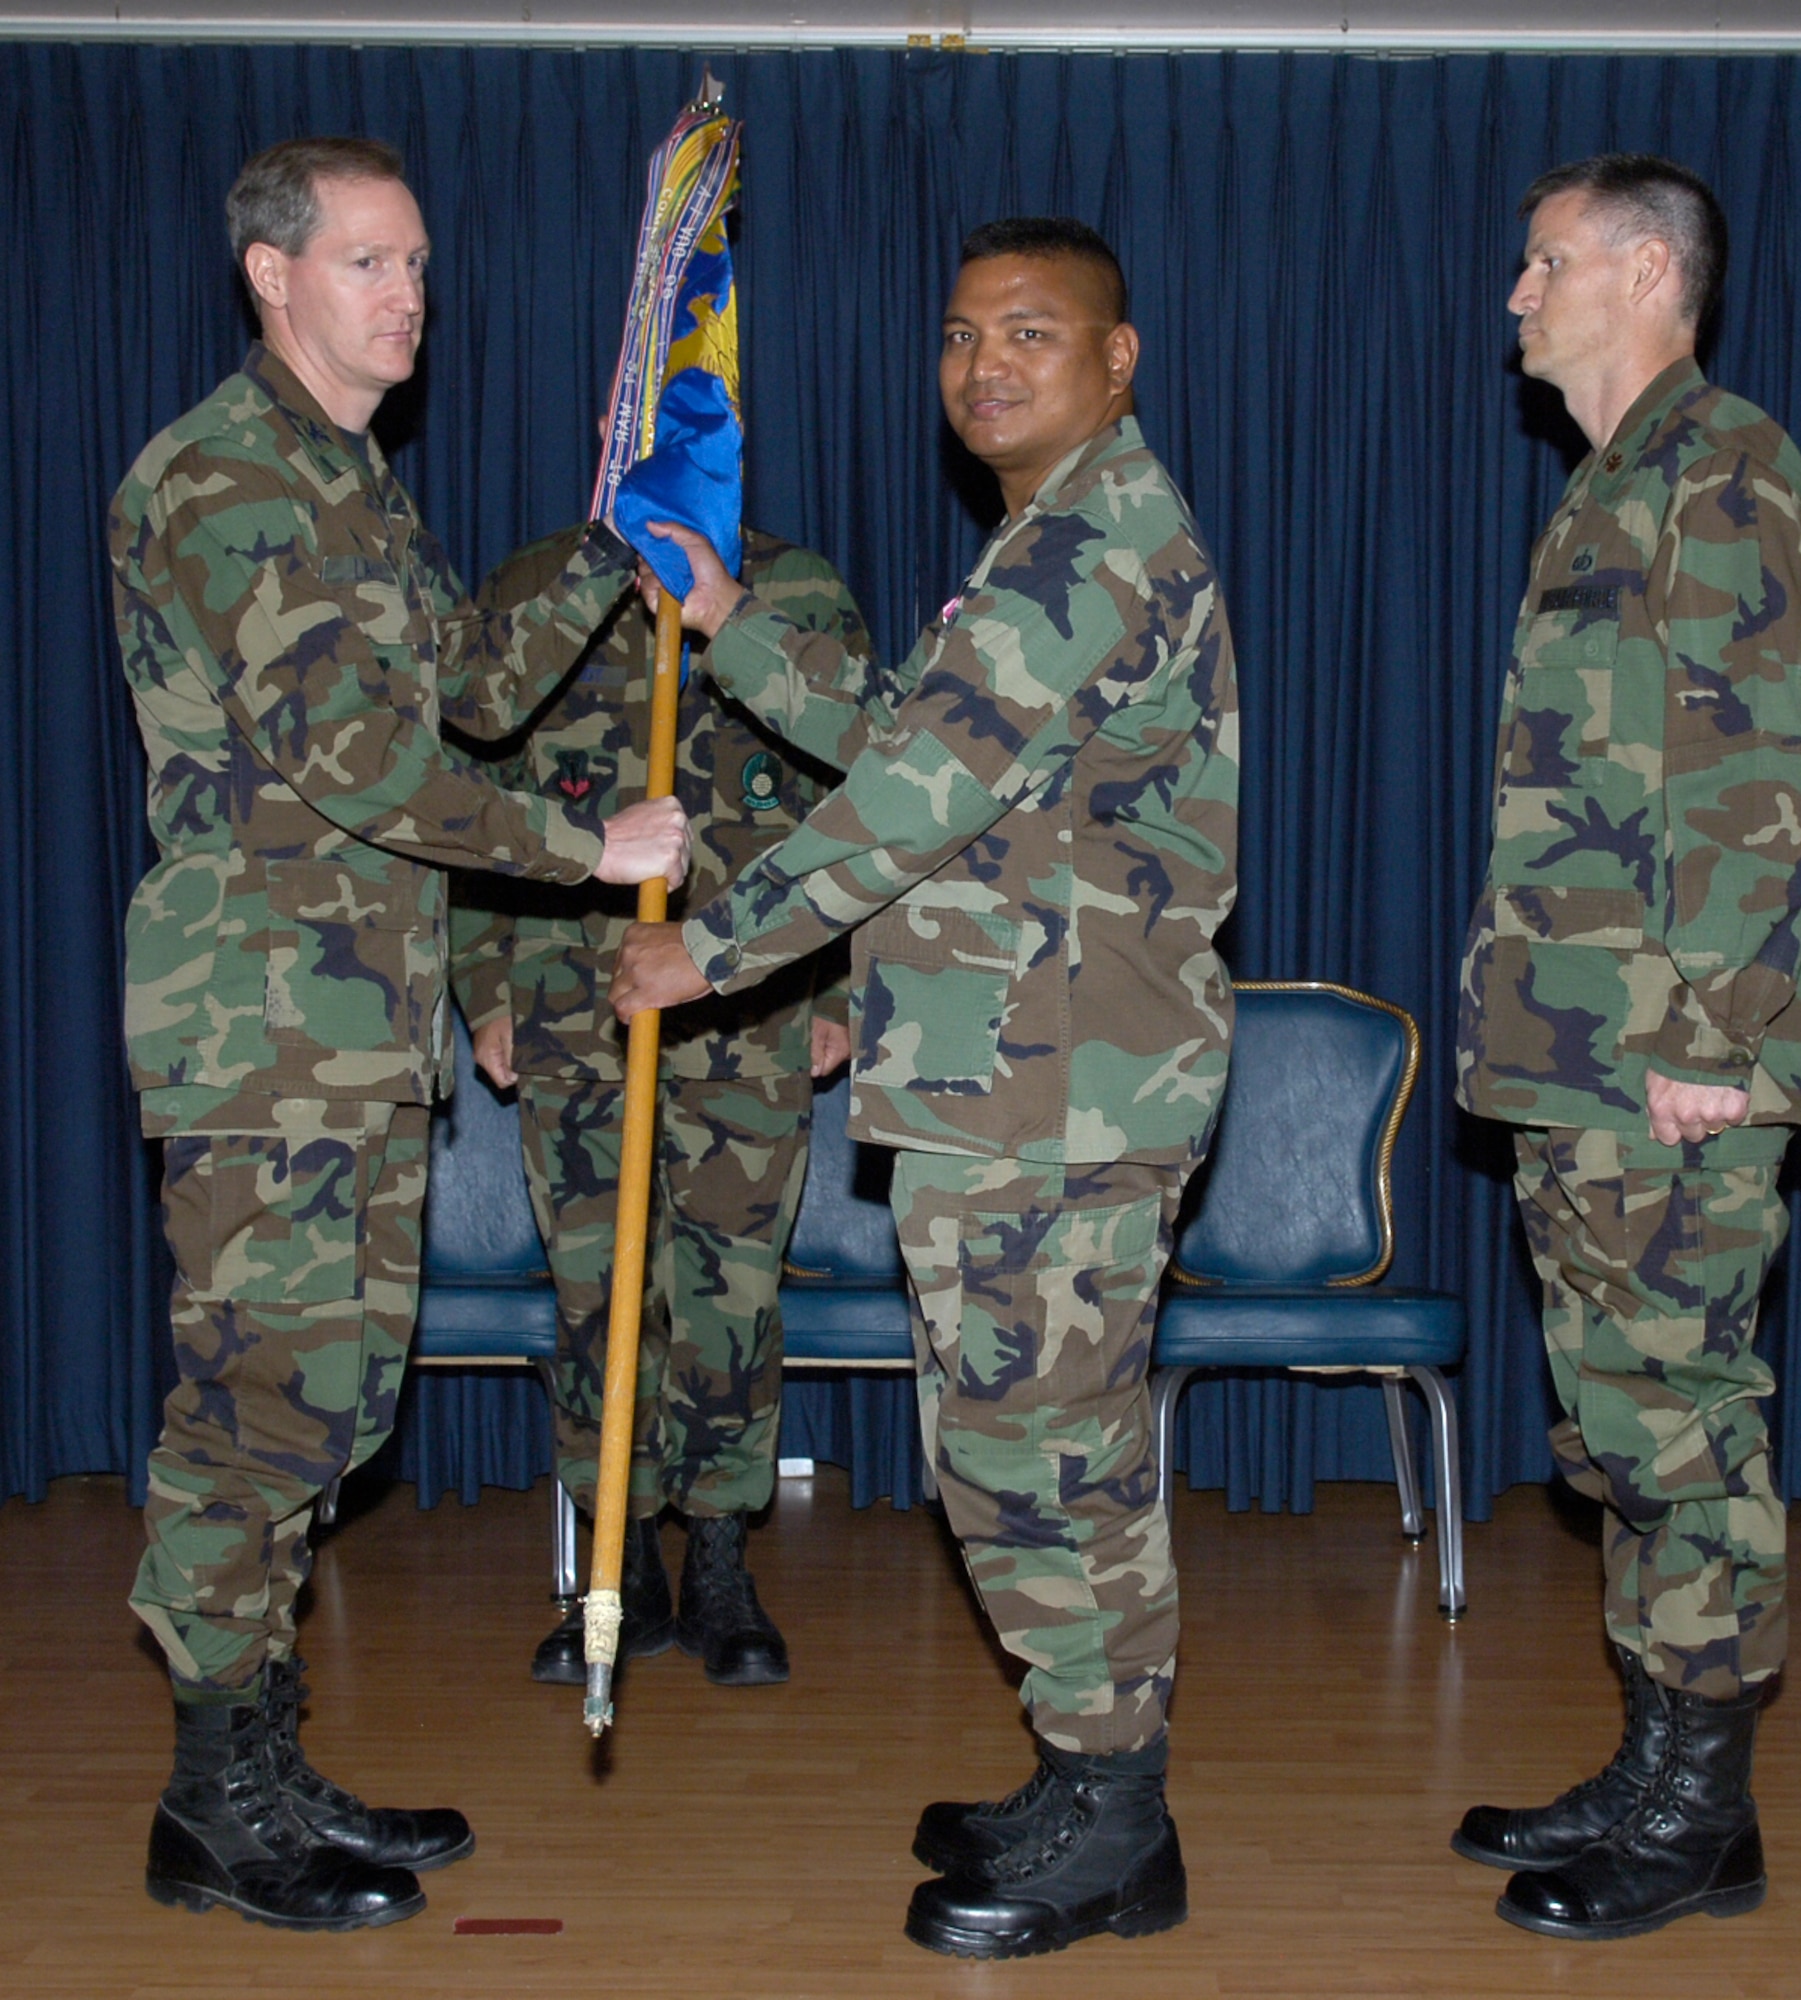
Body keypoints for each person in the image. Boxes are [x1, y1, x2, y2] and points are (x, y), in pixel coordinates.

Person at [610, 217, 1239, 1959]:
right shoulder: (1053, 541)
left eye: (1030, 333)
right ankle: (1084, 1772)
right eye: (961, 333)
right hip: (1017, 1080)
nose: (982, 365)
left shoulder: (1088, 546)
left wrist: (708, 951)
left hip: (1061, 1095)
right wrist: (731, 621)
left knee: (1047, 1458)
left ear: (1117, 362)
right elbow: (922, 740)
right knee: (1015, 1450)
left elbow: (904, 808)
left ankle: (1114, 1828)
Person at [110, 136, 691, 1932]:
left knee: (327, 1412)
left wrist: (610, 536)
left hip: (354, 1031)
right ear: (272, 278)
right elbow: (357, 761)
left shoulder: (351, 486)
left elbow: (467, 693)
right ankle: (213, 1801)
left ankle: (261, 1765)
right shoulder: (225, 478)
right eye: (370, 261)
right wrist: (588, 853)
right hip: (263, 1029)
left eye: (421, 263)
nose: (411, 293)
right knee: (254, 1421)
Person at [1453, 154, 1801, 1941]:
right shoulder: (1621, 486)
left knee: (1682, 1433)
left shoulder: (1724, 471)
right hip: (1586, 1054)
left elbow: (1764, 777)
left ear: (1639, 267)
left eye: (1543, 265)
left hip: (1668, 1062)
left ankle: (1698, 1812)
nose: (1516, 298)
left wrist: (1717, 1032)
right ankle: (1663, 1767)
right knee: (1622, 1432)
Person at [450, 524, 870, 1690]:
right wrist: (482, 984)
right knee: (598, 1285)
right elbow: (467, 790)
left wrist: (837, 985)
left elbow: (861, 798)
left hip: (752, 993)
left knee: (730, 1288)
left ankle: (724, 1557)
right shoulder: (536, 585)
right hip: (567, 986)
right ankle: (616, 1566)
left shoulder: (794, 590)